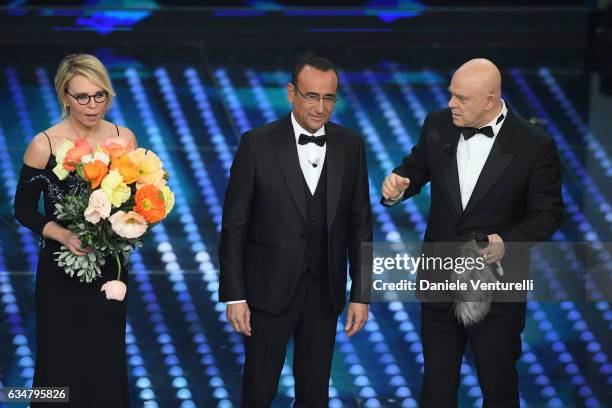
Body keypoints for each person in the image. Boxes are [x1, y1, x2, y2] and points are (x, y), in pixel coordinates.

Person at [381, 58, 563, 407]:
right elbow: (415, 168)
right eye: (452, 94)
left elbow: (548, 214)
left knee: (497, 387)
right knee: (436, 387)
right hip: (440, 279)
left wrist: (507, 241)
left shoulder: (533, 144)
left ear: (490, 101)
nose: (451, 104)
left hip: (496, 285)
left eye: (461, 98)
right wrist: (399, 186)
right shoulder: (438, 124)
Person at [219, 54, 372, 407]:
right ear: (291, 93)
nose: (320, 107)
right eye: (311, 96)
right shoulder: (256, 143)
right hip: (266, 293)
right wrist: (235, 295)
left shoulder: (351, 145)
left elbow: (360, 224)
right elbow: (234, 226)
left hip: (325, 292)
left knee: (315, 393)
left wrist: (361, 294)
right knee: (258, 391)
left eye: (328, 98)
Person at [13, 53, 136, 407]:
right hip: (60, 270)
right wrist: (64, 235)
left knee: (107, 358)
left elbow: (133, 196)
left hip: (110, 269)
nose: (92, 105)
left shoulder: (122, 138)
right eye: (82, 96)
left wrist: (130, 223)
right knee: (59, 360)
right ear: (65, 97)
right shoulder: (45, 144)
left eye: (100, 95)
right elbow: (22, 209)